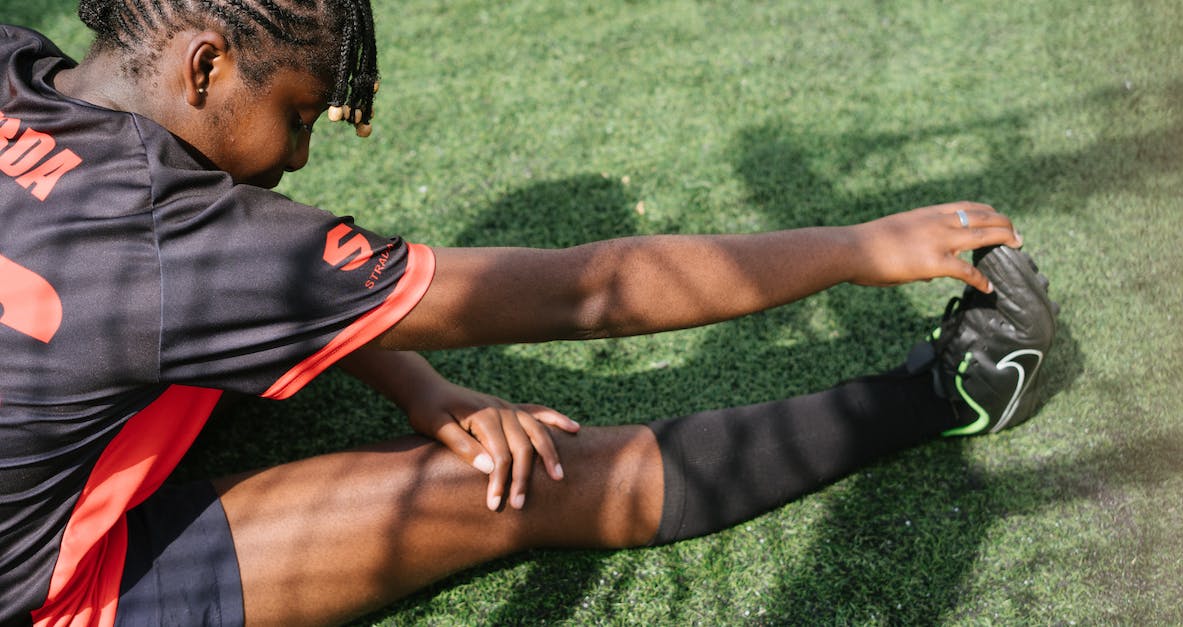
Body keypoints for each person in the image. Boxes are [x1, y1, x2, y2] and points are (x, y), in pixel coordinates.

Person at [0, 1, 1058, 625]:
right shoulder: (189, 241)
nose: (301, 157)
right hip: (42, 596)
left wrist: (421, 382)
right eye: (299, 114)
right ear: (205, 63)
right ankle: (947, 395)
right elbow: (587, 289)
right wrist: (855, 248)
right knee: (521, 481)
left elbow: (233, 279)